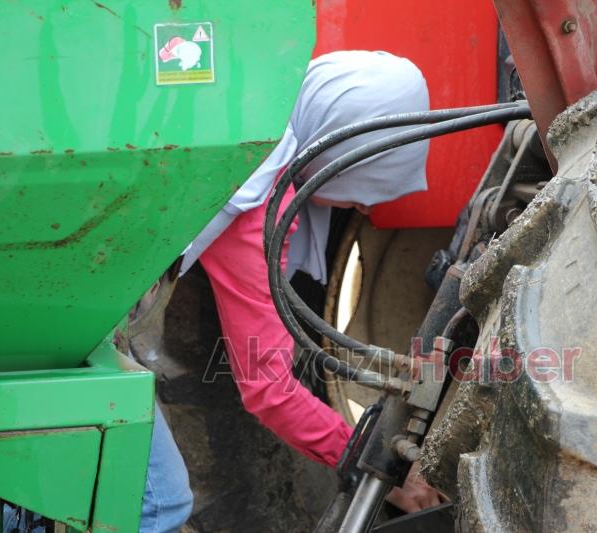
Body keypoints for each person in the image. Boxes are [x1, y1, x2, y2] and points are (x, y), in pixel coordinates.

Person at [141, 50, 445, 533]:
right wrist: (373, 464)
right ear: (337, 150)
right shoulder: (258, 208)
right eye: (365, 183)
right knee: (161, 506)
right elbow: (269, 389)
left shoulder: (244, 109)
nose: (365, 207)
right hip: (81, 330)